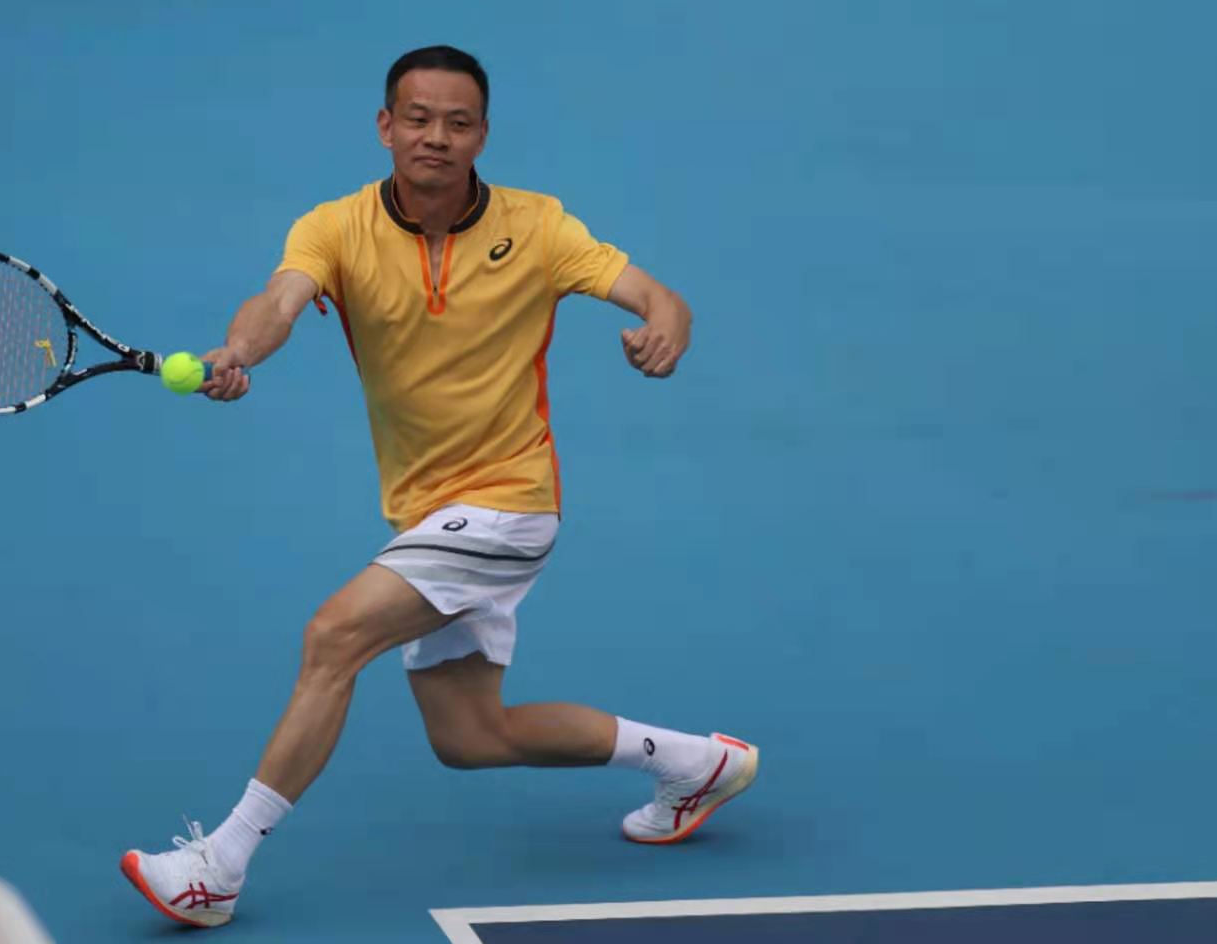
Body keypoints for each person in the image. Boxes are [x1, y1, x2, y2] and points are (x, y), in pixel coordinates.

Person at [119, 45, 759, 928]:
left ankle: (218, 867)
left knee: (334, 637)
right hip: (428, 513)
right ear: (385, 127)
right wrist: (237, 351)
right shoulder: (334, 228)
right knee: (471, 737)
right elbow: (277, 302)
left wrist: (664, 329)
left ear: (482, 135)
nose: (436, 137)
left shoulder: (538, 227)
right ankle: (697, 764)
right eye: (417, 119)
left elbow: (661, 298)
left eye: (458, 123)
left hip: (509, 501)